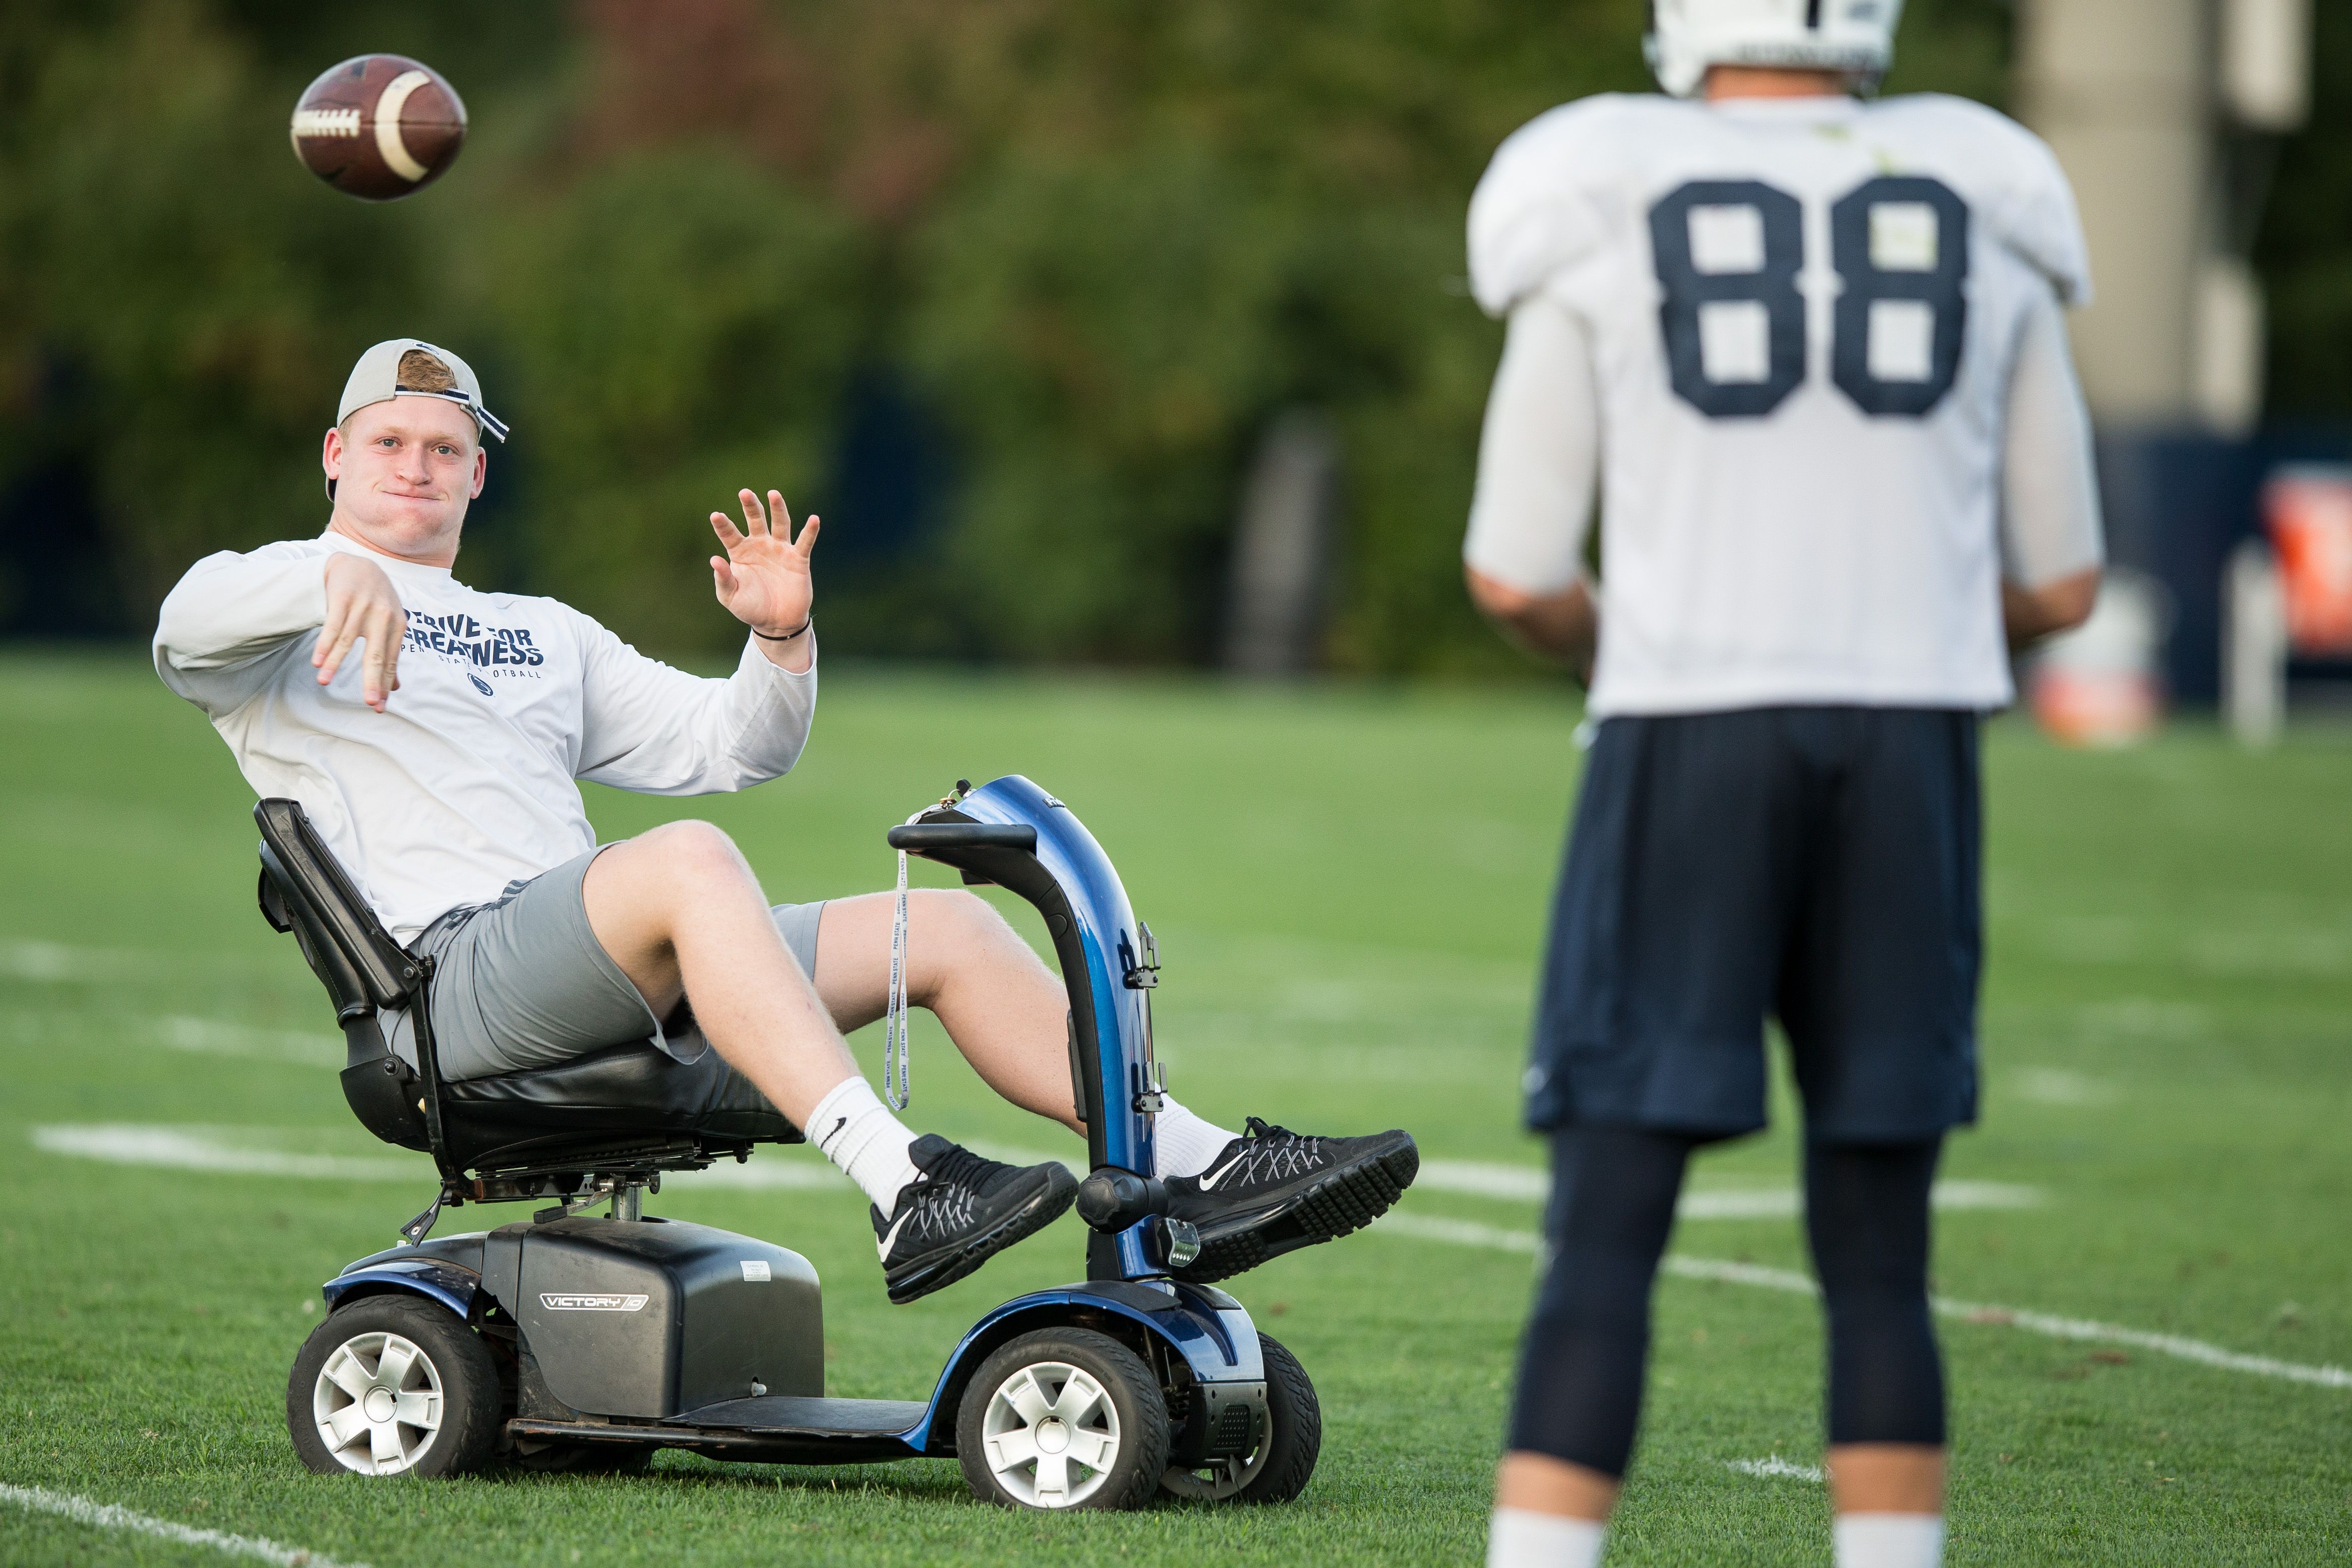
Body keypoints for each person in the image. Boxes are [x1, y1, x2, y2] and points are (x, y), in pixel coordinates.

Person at [155, 337, 1416, 1305]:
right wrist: (334, 575)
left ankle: (1195, 1169)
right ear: (336, 455)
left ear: (479, 470)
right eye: (390, 444)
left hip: (602, 961)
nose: (416, 468)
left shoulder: (537, 629)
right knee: (687, 865)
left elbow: (733, 748)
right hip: (451, 988)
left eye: (443, 449)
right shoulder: (270, 616)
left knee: (951, 935)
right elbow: (183, 623)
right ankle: (899, 1185)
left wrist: (779, 635)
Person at [1461, 3, 2102, 1564]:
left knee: (1605, 1225)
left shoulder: (1596, 181)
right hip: (1911, 747)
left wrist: (1633, 639)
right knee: (1881, 1246)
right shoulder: (1986, 189)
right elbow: (2065, 578)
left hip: (1689, 731)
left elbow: (1513, 569)